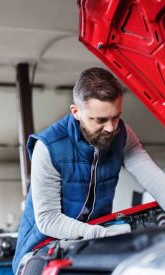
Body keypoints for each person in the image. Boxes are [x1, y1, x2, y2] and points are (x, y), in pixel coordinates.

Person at [12, 67, 165, 273]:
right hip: (41, 251)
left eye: (116, 117)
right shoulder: (49, 148)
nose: (111, 127)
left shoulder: (122, 135)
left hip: (92, 242)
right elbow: (48, 219)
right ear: (76, 112)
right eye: (100, 120)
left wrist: (100, 236)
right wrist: (103, 235)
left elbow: (154, 179)